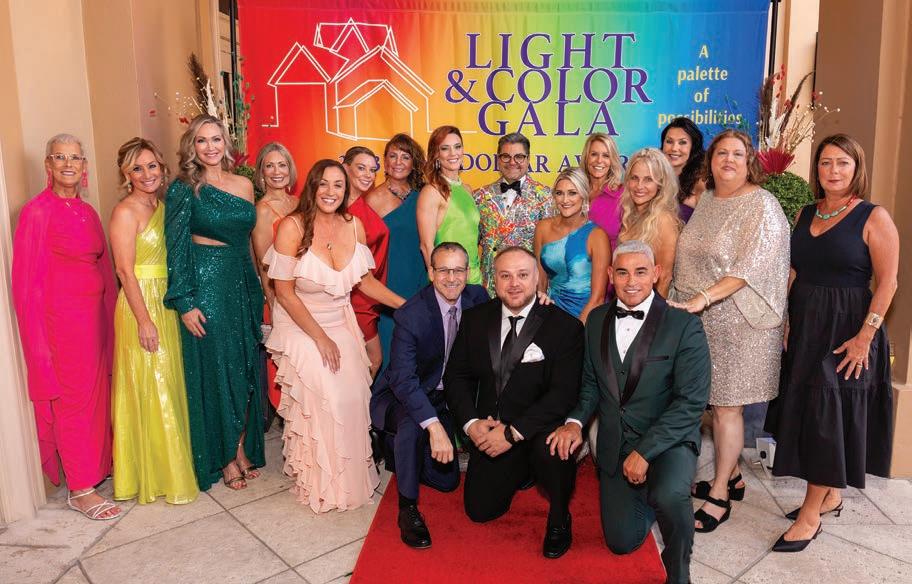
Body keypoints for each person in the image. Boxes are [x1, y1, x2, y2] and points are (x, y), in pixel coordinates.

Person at [764, 134, 899, 552]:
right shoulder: (805, 212)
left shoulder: (874, 217)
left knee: (827, 419)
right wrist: (787, 319)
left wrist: (865, 338)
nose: (833, 171)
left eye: (842, 163)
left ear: (857, 168)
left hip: (848, 331)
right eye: (825, 162)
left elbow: (888, 283)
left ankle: (809, 516)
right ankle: (831, 496)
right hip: (807, 327)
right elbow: (794, 271)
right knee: (811, 412)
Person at [548, 240, 711, 584]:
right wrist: (575, 422)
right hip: (615, 443)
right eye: (622, 273)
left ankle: (679, 568)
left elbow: (690, 403)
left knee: (670, 495)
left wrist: (645, 453)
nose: (631, 281)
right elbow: (590, 384)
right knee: (621, 542)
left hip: (668, 441)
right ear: (610, 275)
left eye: (640, 272)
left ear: (656, 273)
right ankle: (648, 498)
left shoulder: (684, 325)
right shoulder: (596, 320)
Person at [265, 159, 405, 513]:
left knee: (353, 397)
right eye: (324, 184)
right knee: (326, 395)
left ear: (346, 191)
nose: (331, 192)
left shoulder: (353, 225)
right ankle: (319, 479)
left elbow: (365, 282)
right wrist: (320, 338)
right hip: (300, 323)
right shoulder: (293, 226)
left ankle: (348, 479)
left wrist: (407, 306)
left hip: (339, 319)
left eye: (338, 185)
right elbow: (284, 294)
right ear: (312, 187)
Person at [670, 129, 790, 533]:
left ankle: (719, 494)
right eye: (721, 153)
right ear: (711, 159)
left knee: (726, 408)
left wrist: (703, 297)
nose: (728, 160)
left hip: (739, 322)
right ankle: (733, 475)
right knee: (707, 404)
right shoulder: (706, 199)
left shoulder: (762, 205)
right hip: (698, 317)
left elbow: (749, 268)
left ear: (749, 160)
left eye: (737, 154)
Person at [444, 246, 583, 559]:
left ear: (537, 279)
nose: (514, 283)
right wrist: (471, 424)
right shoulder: (475, 319)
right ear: (494, 279)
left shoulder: (565, 327)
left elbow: (563, 394)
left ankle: (560, 516)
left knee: (555, 450)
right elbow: (456, 376)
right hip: (492, 428)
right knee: (480, 510)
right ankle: (522, 470)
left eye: (522, 275)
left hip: (538, 428)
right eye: (505, 276)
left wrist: (513, 433)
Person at [12, 134, 120, 520]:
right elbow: (26, 285)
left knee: (98, 396)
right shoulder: (36, 212)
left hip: (95, 322)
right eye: (60, 157)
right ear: (48, 164)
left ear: (84, 166)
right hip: (62, 326)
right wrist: (38, 345)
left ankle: (97, 468)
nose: (68, 164)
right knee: (73, 402)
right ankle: (80, 489)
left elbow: (104, 268)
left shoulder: (87, 212)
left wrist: (113, 322)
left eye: (75, 158)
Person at [164, 114, 265, 492]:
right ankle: (224, 457)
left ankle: (239, 445)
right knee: (219, 369)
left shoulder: (244, 184)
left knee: (244, 366)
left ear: (227, 144)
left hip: (242, 281)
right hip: (206, 284)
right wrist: (185, 300)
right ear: (192, 146)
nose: (210, 147)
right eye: (202, 140)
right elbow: (175, 247)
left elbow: (249, 240)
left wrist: (258, 287)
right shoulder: (184, 188)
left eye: (216, 139)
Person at [370, 242, 489, 548]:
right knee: (413, 425)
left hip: (445, 397)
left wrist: (540, 301)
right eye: (444, 270)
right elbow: (404, 379)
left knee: (447, 482)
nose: (452, 278)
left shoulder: (477, 298)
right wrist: (434, 427)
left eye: (458, 270)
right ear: (431, 273)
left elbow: (509, 311)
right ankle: (407, 509)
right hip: (402, 395)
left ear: (468, 272)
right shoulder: (412, 314)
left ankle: (395, 448)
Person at [109, 138, 198, 505]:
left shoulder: (163, 206)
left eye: (152, 166)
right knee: (151, 384)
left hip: (168, 300)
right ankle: (159, 475)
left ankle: (172, 465)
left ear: (162, 168)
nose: (146, 174)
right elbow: (124, 271)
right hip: (140, 303)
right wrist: (144, 321)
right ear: (126, 174)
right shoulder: (125, 212)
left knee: (170, 382)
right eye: (137, 168)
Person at [365, 134, 429, 371]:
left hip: (421, 279)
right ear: (384, 161)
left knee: (420, 351)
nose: (398, 162)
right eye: (393, 156)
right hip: (389, 281)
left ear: (414, 162)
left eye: (405, 156)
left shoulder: (424, 195)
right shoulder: (373, 199)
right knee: (390, 349)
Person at [251, 142, 299, 415]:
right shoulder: (262, 211)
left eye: (282, 165)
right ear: (261, 173)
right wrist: (275, 308)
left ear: (290, 169)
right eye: (269, 166)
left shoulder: (300, 203)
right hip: (280, 298)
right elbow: (264, 266)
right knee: (283, 366)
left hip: (306, 294)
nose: (277, 171)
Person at [473, 132, 553, 294]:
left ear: (528, 159)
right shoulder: (480, 196)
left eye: (519, 157)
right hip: (489, 288)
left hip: (527, 289)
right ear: (498, 159)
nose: (512, 162)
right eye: (506, 157)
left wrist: (542, 290)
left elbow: (549, 253)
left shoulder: (545, 197)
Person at [533, 167, 610, 322]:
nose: (565, 200)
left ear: (584, 195)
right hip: (550, 313)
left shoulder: (597, 236)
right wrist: (538, 318)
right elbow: (539, 283)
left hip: (585, 317)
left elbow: (598, 298)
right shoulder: (542, 228)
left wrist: (576, 331)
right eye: (559, 193)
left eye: (572, 193)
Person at [344, 146, 390, 377]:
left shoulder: (363, 204)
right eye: (361, 168)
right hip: (356, 298)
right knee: (371, 360)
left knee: (364, 363)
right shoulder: (341, 210)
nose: (368, 175)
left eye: (372, 170)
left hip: (370, 298)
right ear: (345, 168)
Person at [417, 125, 482, 285]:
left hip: (474, 278)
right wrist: (440, 282)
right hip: (448, 282)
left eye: (457, 147)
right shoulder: (431, 192)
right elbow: (426, 245)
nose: (453, 153)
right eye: (445, 148)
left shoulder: (467, 189)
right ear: (436, 154)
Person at [618, 148, 682, 297]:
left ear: (660, 184)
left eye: (648, 179)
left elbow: (664, 278)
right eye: (634, 178)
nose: (639, 186)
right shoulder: (631, 215)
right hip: (631, 299)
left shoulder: (663, 219)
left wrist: (652, 311)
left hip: (653, 303)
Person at [581, 133, 625, 250]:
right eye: (594, 154)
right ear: (586, 158)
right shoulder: (576, 190)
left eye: (606, 155)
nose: (599, 160)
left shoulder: (622, 194)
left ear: (612, 160)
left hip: (610, 260)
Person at [660, 117, 706, 223]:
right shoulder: (655, 177)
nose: (674, 148)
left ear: (693, 147)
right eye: (669, 141)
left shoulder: (701, 182)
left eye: (682, 142)